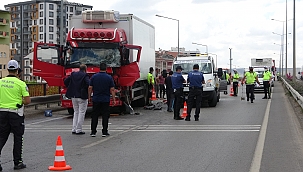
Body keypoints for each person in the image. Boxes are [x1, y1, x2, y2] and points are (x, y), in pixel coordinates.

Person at [0, 60, 31, 170]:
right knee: (18, 138)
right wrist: (20, 102)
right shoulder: (21, 83)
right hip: (16, 114)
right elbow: (27, 101)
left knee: (1, 137)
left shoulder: (0, 82)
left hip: (2, 113)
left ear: (7, 69)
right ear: (18, 70)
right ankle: (17, 162)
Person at [88, 63, 116, 137]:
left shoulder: (94, 77)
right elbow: (112, 89)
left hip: (96, 99)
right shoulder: (109, 77)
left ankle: (93, 131)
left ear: (99, 68)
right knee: (105, 115)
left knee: (95, 115)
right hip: (105, 99)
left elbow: (90, 87)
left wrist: (89, 97)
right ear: (106, 69)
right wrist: (113, 99)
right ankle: (104, 131)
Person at [64, 64, 89, 135]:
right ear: (85, 69)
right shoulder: (85, 75)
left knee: (76, 112)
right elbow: (88, 83)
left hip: (73, 95)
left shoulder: (73, 74)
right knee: (81, 112)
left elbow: (66, 81)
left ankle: (74, 128)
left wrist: (71, 87)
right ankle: (79, 129)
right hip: (82, 95)